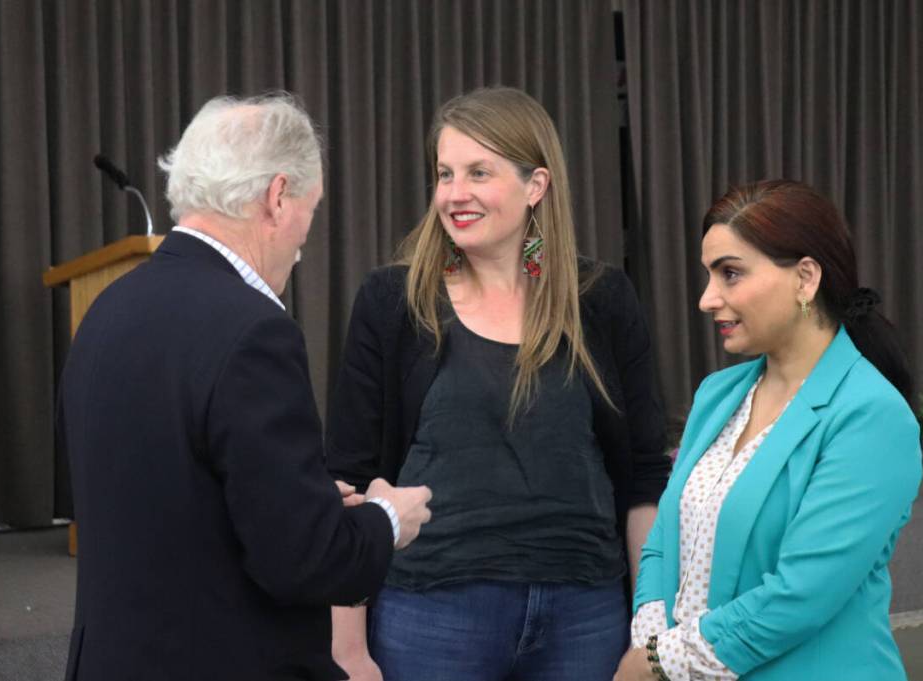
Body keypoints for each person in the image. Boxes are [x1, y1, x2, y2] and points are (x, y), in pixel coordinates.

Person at [57, 94, 432, 681]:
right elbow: (305, 562)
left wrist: (298, 496)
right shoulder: (255, 331)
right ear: (278, 196)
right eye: (311, 208)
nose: (306, 240)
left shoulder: (107, 309)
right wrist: (386, 518)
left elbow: (161, 495)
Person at [326, 86, 671, 681]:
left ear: (535, 185)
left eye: (478, 173)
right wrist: (349, 651)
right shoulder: (392, 301)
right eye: (445, 174)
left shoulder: (602, 299)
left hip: (584, 614)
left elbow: (644, 476)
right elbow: (347, 480)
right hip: (431, 613)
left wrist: (650, 632)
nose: (455, 194)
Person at [615, 180, 921, 681]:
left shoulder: (870, 415)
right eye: (709, 275)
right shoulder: (719, 394)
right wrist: (650, 636)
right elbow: (663, 541)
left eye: (730, 274)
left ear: (805, 278)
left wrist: (658, 663)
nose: (707, 299)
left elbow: (801, 594)